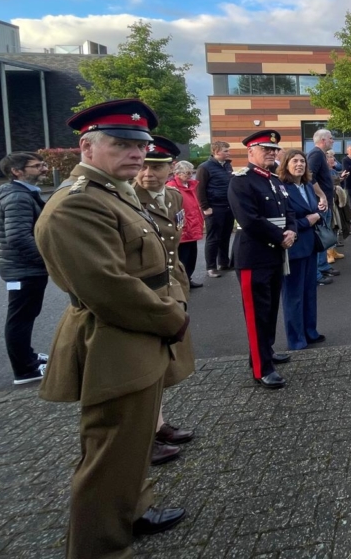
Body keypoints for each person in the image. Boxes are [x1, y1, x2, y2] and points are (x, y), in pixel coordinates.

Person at [35, 99, 190, 556]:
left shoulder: (116, 193)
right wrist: (171, 316)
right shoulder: (77, 205)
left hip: (138, 333)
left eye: (140, 145)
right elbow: (109, 287)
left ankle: (132, 511)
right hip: (115, 338)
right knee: (109, 453)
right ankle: (99, 544)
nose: (138, 155)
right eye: (122, 144)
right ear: (87, 145)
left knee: (133, 442)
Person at [134, 137, 198, 467]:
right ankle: (144, 437)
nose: (148, 173)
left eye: (157, 166)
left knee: (161, 363)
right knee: (142, 369)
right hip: (144, 296)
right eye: (144, 165)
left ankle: (157, 425)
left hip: (169, 288)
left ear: (170, 167)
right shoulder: (129, 199)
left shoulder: (171, 196)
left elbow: (173, 249)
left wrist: (180, 287)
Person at [228, 129, 297, 389]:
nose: (272, 152)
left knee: (269, 311)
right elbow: (249, 220)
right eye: (265, 149)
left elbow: (288, 210)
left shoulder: (274, 180)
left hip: (275, 253)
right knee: (257, 314)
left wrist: (292, 230)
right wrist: (281, 236)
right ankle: (261, 368)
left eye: (274, 149)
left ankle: (265, 352)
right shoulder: (241, 181)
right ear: (250, 152)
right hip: (253, 255)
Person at [0, 152, 50, 386]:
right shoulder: (17, 198)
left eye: (43, 164)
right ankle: (25, 370)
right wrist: (47, 259)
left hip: (23, 268)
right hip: (24, 269)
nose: (44, 169)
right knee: (20, 318)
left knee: (25, 315)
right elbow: (19, 238)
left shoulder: (22, 193)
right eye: (37, 166)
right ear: (17, 171)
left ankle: (28, 358)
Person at [277, 149, 327, 349]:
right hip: (293, 248)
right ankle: (296, 339)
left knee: (309, 292)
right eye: (294, 161)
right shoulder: (281, 188)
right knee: (293, 296)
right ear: (286, 165)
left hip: (310, 247)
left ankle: (310, 332)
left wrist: (320, 211)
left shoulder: (306, 186)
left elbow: (315, 211)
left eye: (302, 161)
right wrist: (309, 220)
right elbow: (284, 222)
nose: (299, 164)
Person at [195, 141, 234, 278]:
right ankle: (211, 267)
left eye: (228, 150)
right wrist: (205, 207)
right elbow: (199, 189)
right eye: (225, 151)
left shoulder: (227, 166)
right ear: (216, 151)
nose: (228, 153)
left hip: (228, 206)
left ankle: (223, 262)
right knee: (213, 238)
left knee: (225, 236)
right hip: (214, 207)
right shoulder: (204, 167)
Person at [307, 129, 339, 285]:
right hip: (320, 204)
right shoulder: (316, 154)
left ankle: (323, 266)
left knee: (324, 235)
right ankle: (317, 273)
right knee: (320, 236)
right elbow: (309, 176)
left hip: (325, 203)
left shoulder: (320, 154)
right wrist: (321, 195)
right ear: (322, 140)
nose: (333, 141)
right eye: (331, 138)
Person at [166, 160, 204, 288]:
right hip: (183, 227)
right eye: (187, 173)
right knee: (183, 257)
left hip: (192, 226)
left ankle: (188, 279)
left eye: (191, 172)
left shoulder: (190, 186)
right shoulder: (172, 186)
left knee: (192, 257)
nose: (190, 175)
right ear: (178, 173)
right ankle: (182, 282)